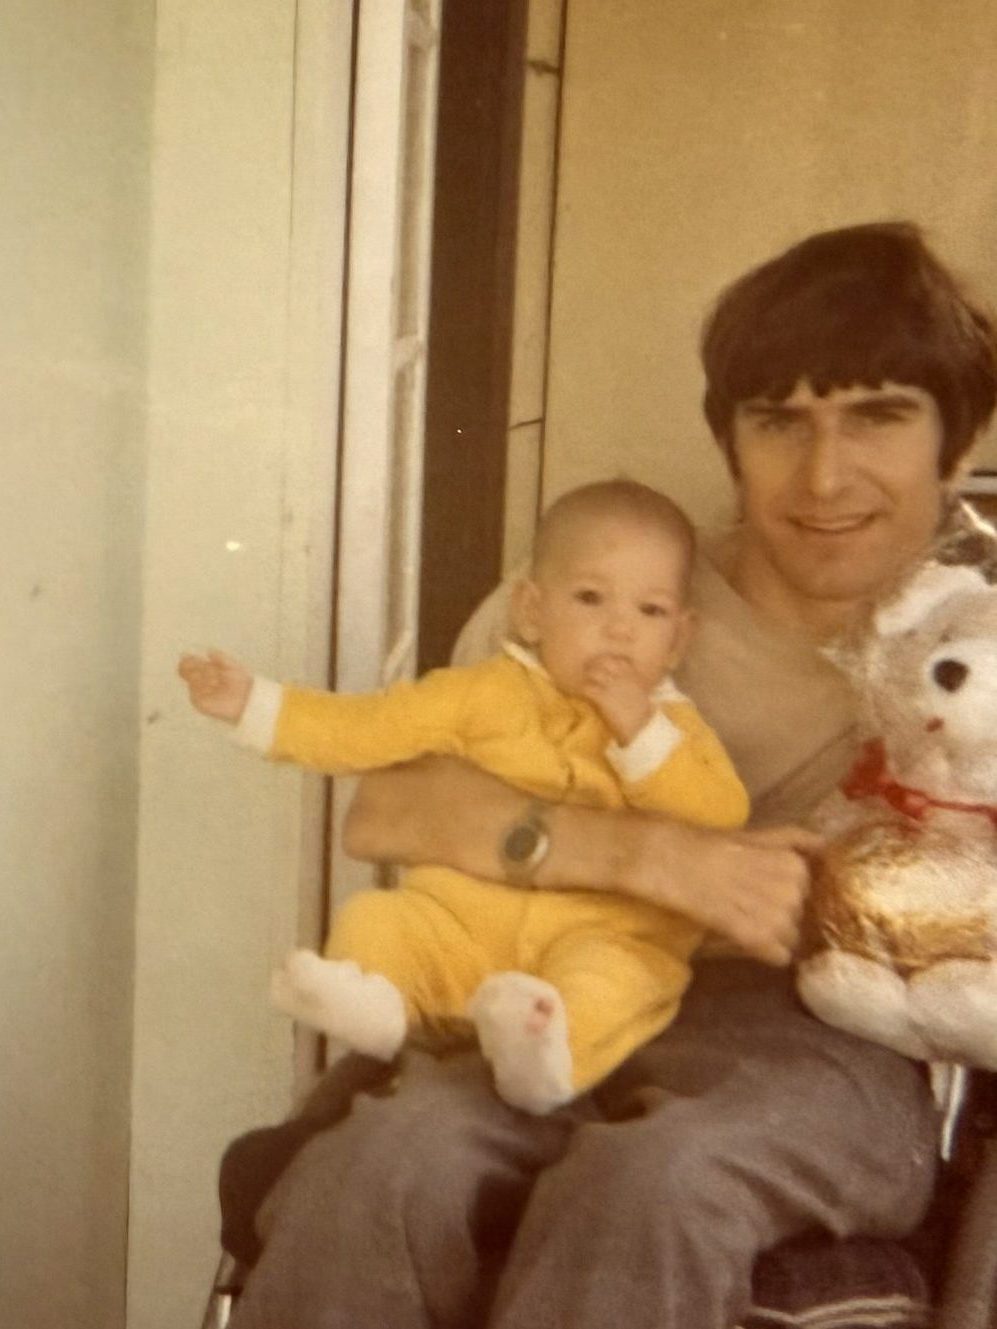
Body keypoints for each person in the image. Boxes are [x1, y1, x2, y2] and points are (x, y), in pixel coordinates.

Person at [220, 221, 997, 1329]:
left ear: (955, 443)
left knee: (660, 1181)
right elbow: (387, 811)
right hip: (554, 985)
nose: (824, 476)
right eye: (779, 421)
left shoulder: (977, 640)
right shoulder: (615, 598)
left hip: (826, 1048)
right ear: (730, 443)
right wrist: (659, 858)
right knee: (387, 1161)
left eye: (877, 416)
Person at [180, 481, 749, 1113]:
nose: (619, 629)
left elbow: (719, 813)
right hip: (467, 926)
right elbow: (369, 728)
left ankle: (545, 1059)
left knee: (619, 981)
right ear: (532, 611)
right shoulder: (482, 693)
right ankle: (378, 1009)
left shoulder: (673, 729)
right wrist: (255, 705)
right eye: (590, 598)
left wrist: (638, 732)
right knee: (380, 918)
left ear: (678, 640)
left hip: (605, 933)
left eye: (651, 611)